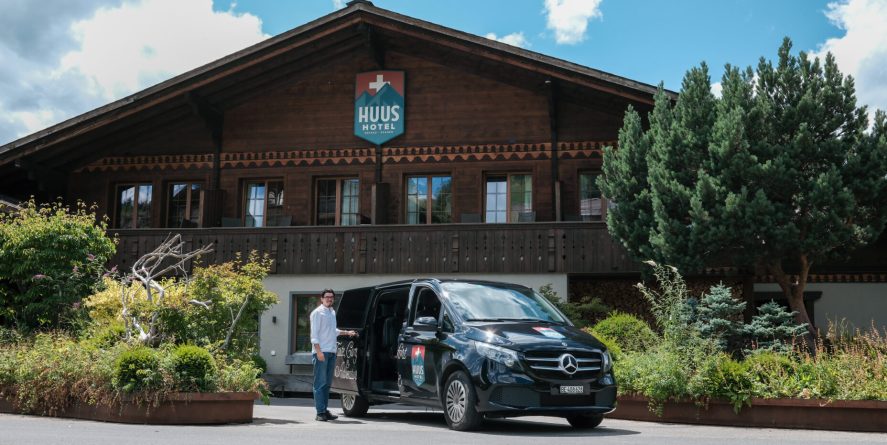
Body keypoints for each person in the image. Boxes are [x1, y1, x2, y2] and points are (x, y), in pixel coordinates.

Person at [310, 288, 357, 421]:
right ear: (322, 299)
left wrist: (347, 332)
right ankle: (320, 413)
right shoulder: (317, 313)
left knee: (326, 384)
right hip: (321, 352)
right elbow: (314, 335)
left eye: (331, 297)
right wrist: (319, 352)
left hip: (331, 352)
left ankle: (324, 410)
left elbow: (333, 331)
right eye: (327, 297)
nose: (329, 299)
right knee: (320, 383)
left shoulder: (332, 312)